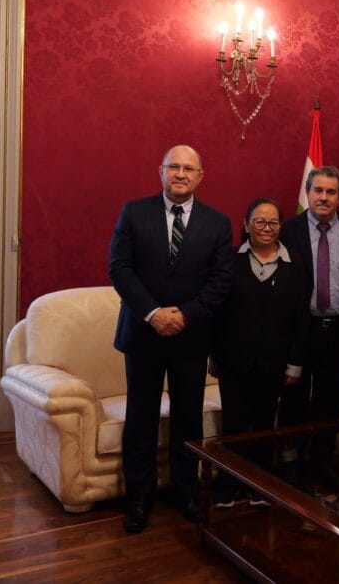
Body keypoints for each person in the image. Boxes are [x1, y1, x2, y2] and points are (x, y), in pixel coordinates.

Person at [108, 145, 234, 533]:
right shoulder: (134, 211)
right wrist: (153, 313)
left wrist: (185, 314)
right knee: (141, 417)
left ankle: (185, 491)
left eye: (188, 168)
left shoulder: (218, 222)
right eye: (173, 167)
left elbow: (221, 280)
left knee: (187, 417)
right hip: (144, 333)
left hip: (191, 336)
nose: (180, 174)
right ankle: (139, 497)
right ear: (160, 171)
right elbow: (120, 268)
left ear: (201, 176)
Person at [210, 197, 308, 508]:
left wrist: (295, 363)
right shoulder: (228, 259)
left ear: (281, 226)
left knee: (265, 424)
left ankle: (258, 487)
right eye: (259, 221)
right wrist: (214, 354)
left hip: (274, 362)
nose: (266, 228)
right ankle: (228, 486)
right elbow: (216, 312)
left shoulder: (296, 264)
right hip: (232, 360)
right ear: (246, 225)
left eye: (273, 222)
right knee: (235, 425)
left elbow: (301, 318)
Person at [280, 166, 339, 491]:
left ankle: (322, 462)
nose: (324, 197)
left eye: (331, 192)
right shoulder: (287, 231)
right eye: (318, 190)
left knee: (330, 401)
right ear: (308, 192)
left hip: (337, 330)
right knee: (295, 400)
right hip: (299, 331)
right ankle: (292, 462)